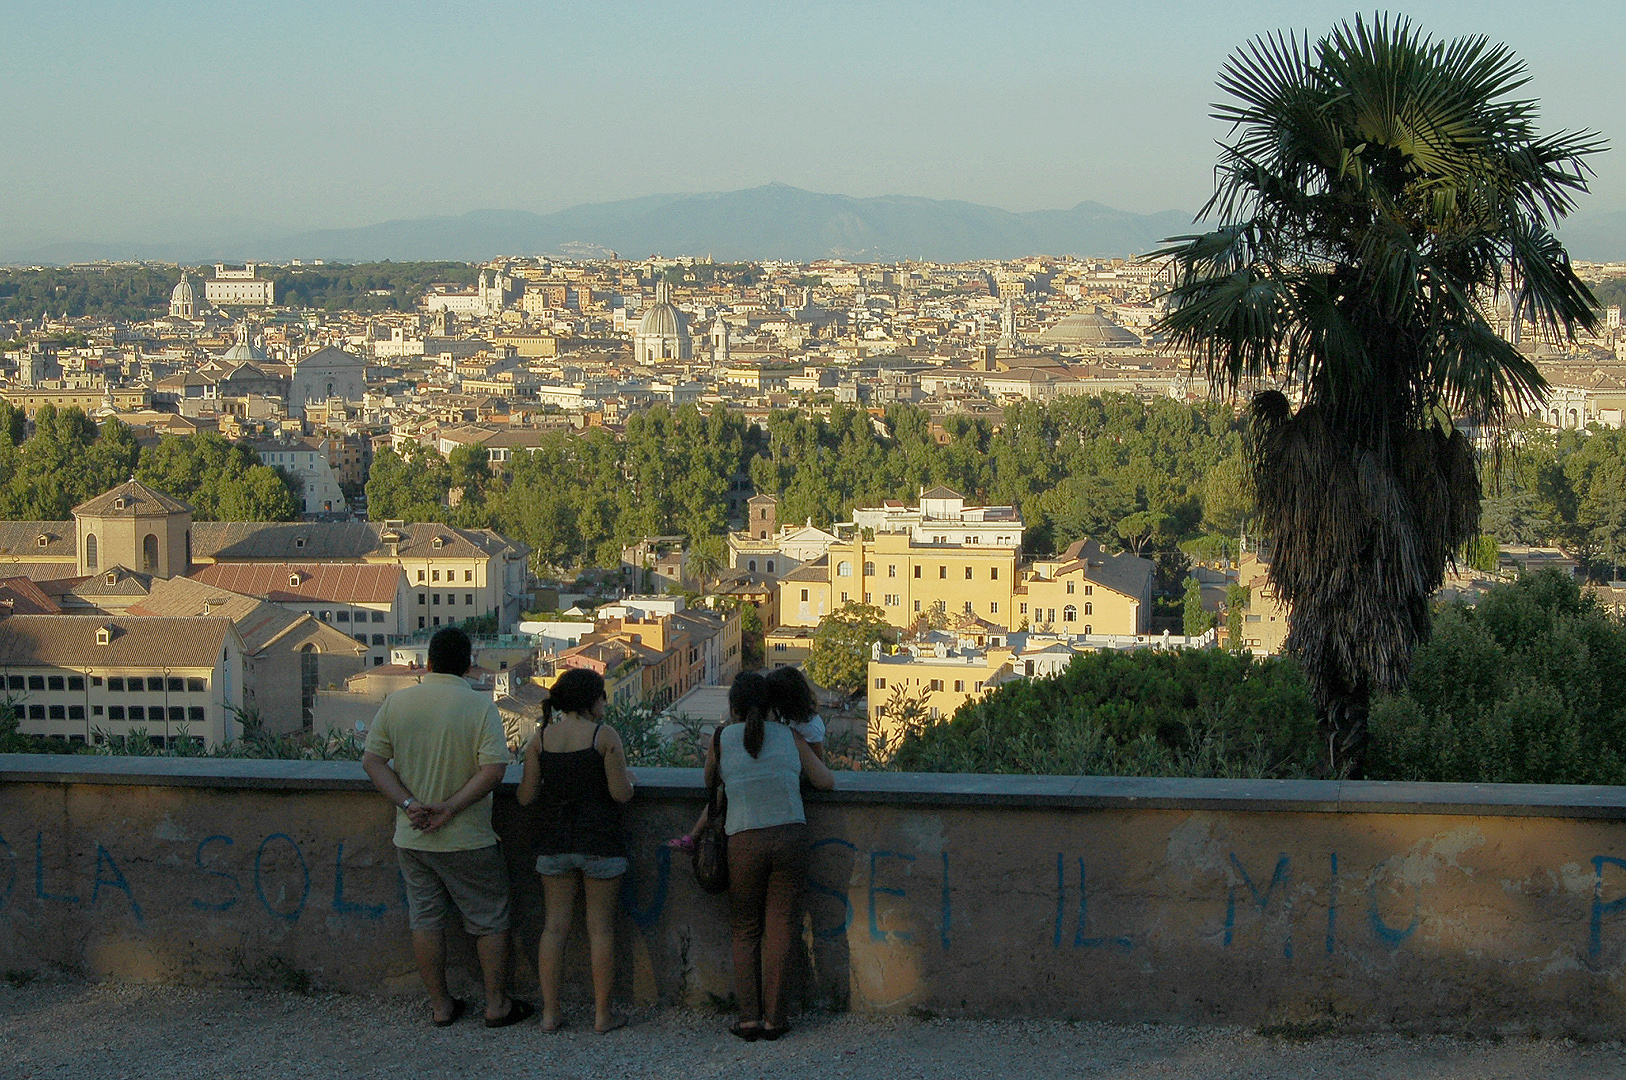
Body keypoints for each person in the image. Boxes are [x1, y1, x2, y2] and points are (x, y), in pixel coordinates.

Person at [361, 627, 532, 1029]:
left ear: (428, 663)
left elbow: (372, 762)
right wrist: (451, 808)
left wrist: (409, 804)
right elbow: (494, 769)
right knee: (489, 920)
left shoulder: (397, 703)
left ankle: (440, 1007)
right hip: (468, 838)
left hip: (412, 834)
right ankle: (496, 1004)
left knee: (425, 920)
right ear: (469, 664)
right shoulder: (479, 707)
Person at [707, 670, 835, 1041]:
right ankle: (775, 1019)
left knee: (745, 929)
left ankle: (748, 1018)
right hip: (790, 835)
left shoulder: (722, 739)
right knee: (781, 927)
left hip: (743, 839)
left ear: (733, 706)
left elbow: (709, 783)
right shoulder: (792, 738)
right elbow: (825, 780)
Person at [516, 667, 635, 1035]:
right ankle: (602, 1017)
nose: (605, 701)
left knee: (554, 929)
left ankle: (550, 1015)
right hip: (600, 842)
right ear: (590, 700)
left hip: (554, 843)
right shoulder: (604, 736)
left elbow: (525, 797)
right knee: (599, 929)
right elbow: (621, 794)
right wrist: (629, 778)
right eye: (601, 695)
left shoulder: (540, 740)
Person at [667, 666, 827, 853]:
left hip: (748, 827)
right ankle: (693, 836)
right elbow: (822, 772)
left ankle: (694, 836)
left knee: (722, 791)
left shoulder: (796, 730)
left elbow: (710, 782)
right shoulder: (792, 729)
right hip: (789, 822)